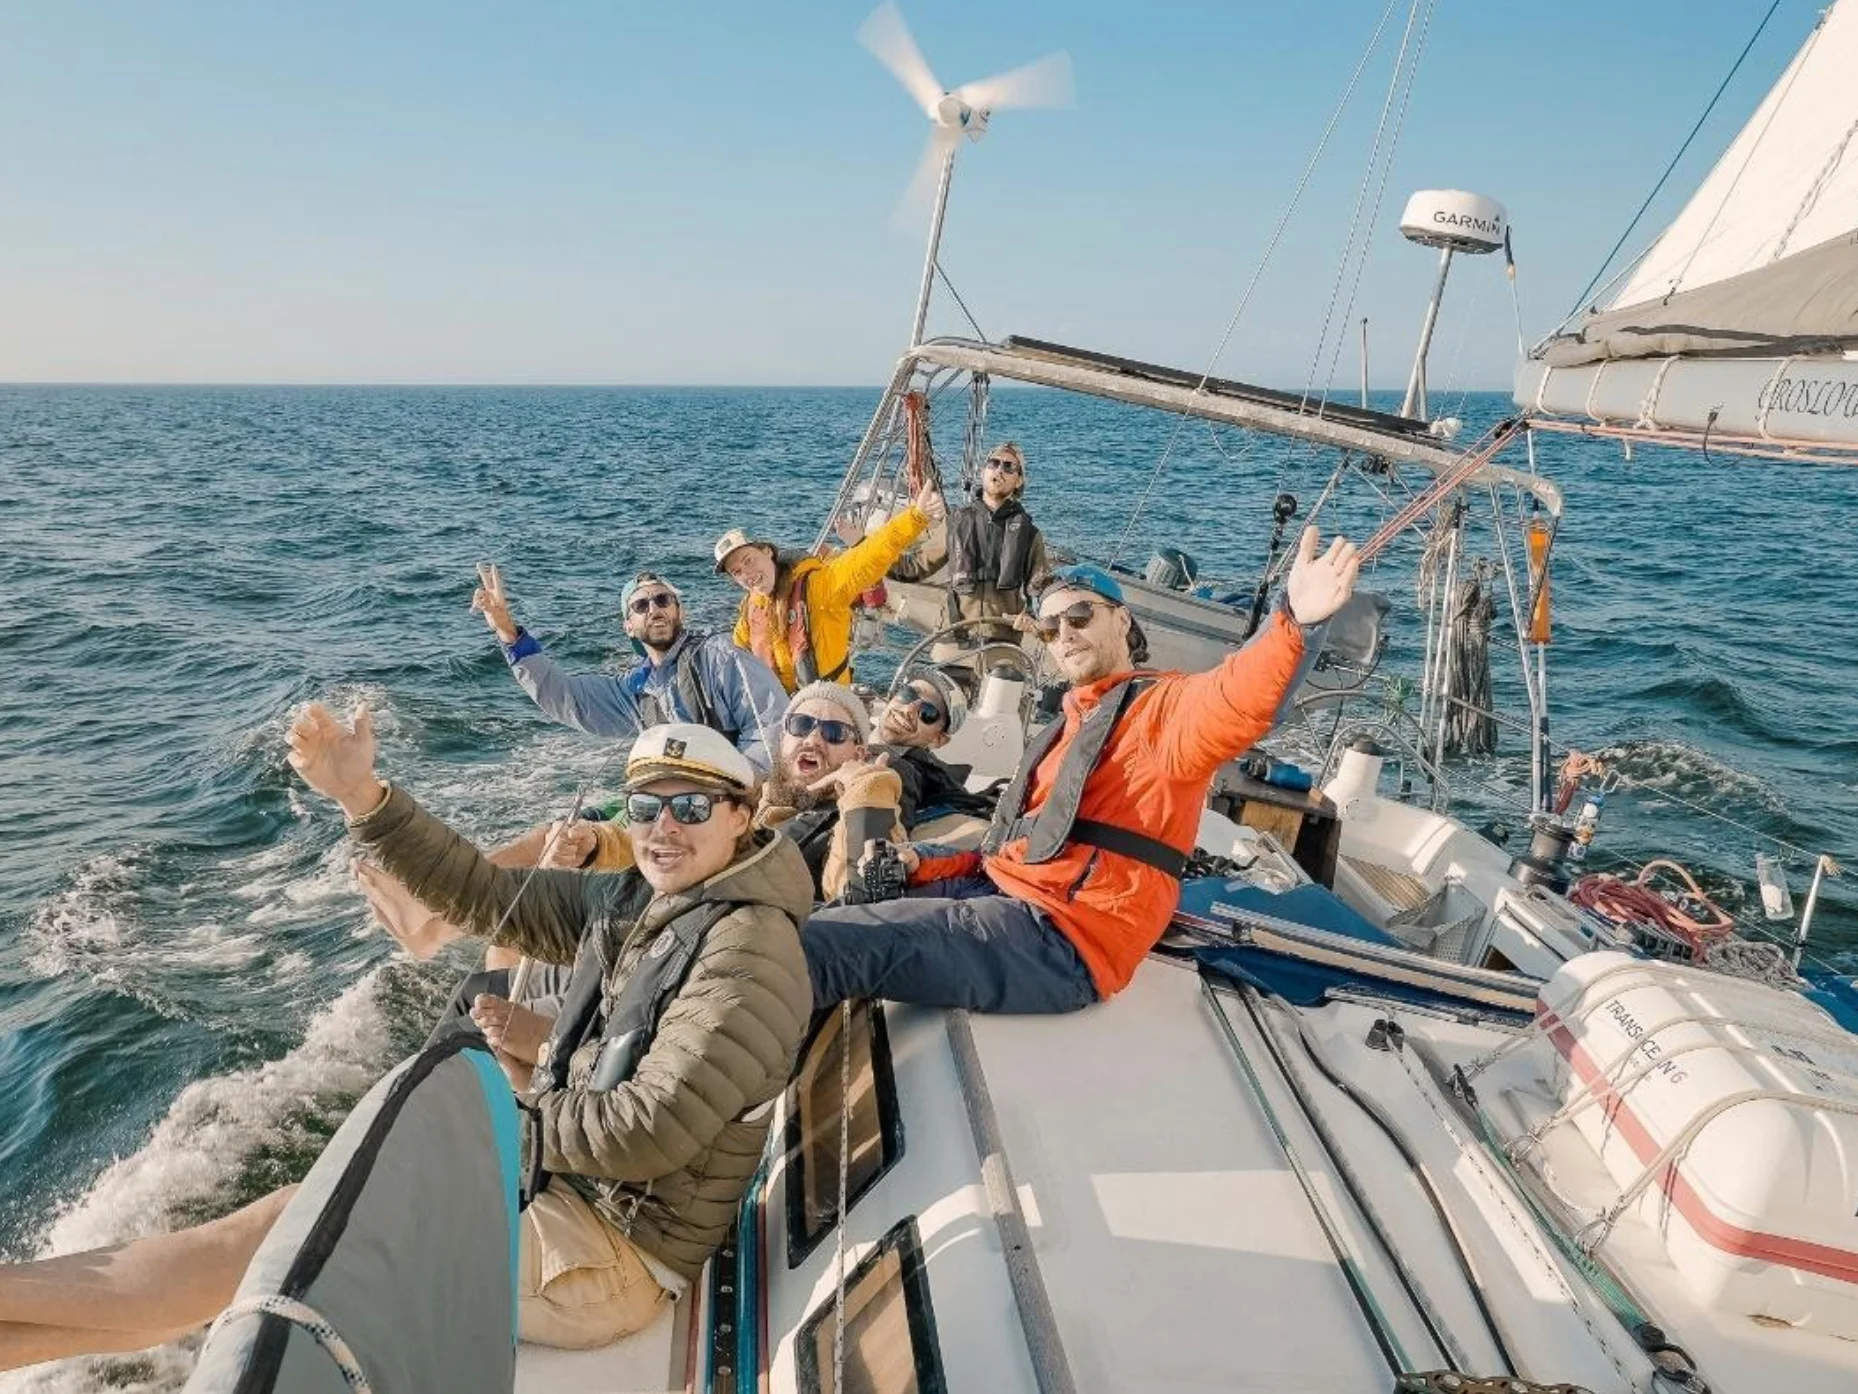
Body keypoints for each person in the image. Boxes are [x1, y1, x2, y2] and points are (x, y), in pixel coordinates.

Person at [0, 717, 813, 1366]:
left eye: (693, 806)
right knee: (274, 1235)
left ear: (742, 818)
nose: (663, 827)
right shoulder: (644, 902)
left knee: (285, 1238)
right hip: (565, 1198)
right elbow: (483, 890)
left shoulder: (748, 951)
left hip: (612, 1256)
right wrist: (363, 799)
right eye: (644, 807)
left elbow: (647, 1131)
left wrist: (469, 1130)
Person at [801, 527, 1360, 1016]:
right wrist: (918, 864)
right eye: (1048, 628)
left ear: (1122, 620)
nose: (1063, 634)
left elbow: (1234, 699)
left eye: (1079, 615)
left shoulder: (1159, 712)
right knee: (825, 917)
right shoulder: (1073, 723)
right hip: (1007, 895)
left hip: (1063, 936)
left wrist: (1293, 624)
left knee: (820, 947)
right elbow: (1018, 850)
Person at [472, 564, 786, 777]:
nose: (654, 609)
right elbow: (563, 696)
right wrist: (507, 632)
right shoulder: (634, 691)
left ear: (679, 610)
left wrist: (736, 789)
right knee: (558, 837)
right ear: (629, 626)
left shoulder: (722, 658)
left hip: (732, 799)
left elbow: (771, 728)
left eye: (663, 599)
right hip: (677, 807)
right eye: (641, 606)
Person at [714, 480, 943, 693]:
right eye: (737, 572)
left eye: (748, 560)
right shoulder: (751, 607)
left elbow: (871, 555)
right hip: (776, 706)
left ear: (767, 551)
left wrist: (915, 517)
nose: (748, 574)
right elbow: (738, 652)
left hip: (826, 703)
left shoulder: (820, 587)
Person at [889, 441, 1049, 637]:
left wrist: (1030, 616)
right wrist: (863, 548)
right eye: (994, 463)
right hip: (954, 638)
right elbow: (912, 568)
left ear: (1018, 481)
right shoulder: (956, 523)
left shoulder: (1030, 534)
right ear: (983, 472)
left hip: (1003, 643)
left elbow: (1042, 591)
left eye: (1009, 467)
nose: (999, 470)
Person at [871, 670, 995, 832]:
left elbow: (881, 840)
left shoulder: (896, 771)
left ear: (938, 740)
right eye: (908, 694)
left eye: (927, 713)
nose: (909, 709)